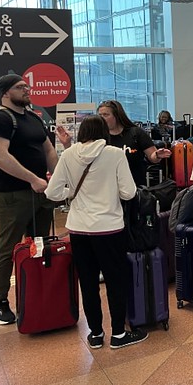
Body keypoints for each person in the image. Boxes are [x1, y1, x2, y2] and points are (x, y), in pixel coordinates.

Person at [44, 115, 146, 349]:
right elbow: (129, 193)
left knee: (88, 282)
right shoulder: (115, 154)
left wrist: (70, 194)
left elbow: (52, 192)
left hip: (79, 229)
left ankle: (96, 334)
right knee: (115, 281)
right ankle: (118, 334)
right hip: (110, 229)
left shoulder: (68, 154)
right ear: (104, 132)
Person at [0, 74, 58, 326]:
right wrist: (32, 179)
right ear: (5, 92)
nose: (27, 89)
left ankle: (38, 290)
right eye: (20, 87)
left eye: (27, 86)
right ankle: (0, 302)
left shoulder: (34, 118)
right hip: (11, 195)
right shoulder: (0, 119)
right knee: (9, 246)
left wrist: (57, 180)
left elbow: (48, 150)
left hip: (40, 193)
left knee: (40, 243)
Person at [95, 101, 171, 187]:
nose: (102, 118)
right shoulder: (98, 136)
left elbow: (153, 157)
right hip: (107, 186)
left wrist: (157, 155)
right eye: (100, 115)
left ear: (117, 116)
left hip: (135, 185)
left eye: (106, 115)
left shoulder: (135, 133)